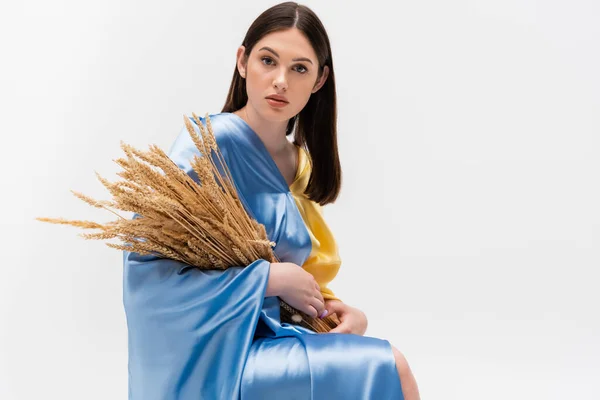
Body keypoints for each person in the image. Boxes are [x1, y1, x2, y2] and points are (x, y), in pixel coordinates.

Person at [122, 2, 420, 399]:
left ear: (319, 80)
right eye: (268, 60)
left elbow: (303, 275)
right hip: (218, 356)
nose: (281, 81)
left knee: (379, 364)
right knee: (389, 366)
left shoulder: (301, 164)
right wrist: (265, 279)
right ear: (243, 61)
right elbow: (146, 271)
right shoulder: (211, 145)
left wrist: (336, 310)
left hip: (278, 336)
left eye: (300, 68)